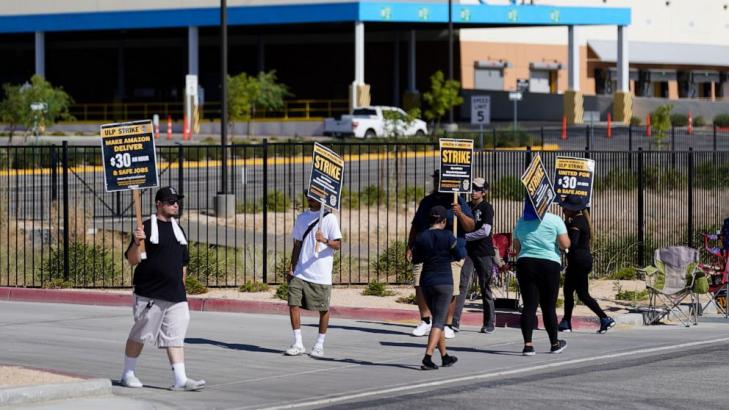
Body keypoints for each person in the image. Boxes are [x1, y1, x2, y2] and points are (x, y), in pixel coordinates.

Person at [120, 186, 205, 391]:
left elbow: (183, 263)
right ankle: (127, 374)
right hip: (150, 293)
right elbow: (133, 260)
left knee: (175, 337)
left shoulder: (179, 230)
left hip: (175, 294)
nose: (175, 204)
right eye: (170, 201)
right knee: (140, 334)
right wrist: (136, 242)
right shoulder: (146, 227)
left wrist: (182, 289)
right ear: (159, 204)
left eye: (176, 201)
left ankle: (181, 379)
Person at [407, 170, 475, 339]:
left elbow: (470, 227)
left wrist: (459, 213)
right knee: (419, 283)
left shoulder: (457, 202)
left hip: (451, 252)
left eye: (441, 180)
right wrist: (410, 246)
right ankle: (425, 320)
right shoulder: (427, 202)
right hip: (426, 250)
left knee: (451, 288)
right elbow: (416, 225)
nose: (438, 183)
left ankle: (447, 324)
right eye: (436, 180)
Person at [284, 193, 342, 358]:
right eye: (307, 195)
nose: (309, 198)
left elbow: (338, 244)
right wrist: (292, 266)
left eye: (314, 196)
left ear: (322, 199)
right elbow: (297, 244)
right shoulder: (301, 218)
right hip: (301, 271)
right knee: (293, 303)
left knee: (323, 309)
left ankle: (319, 343)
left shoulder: (329, 218)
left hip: (321, 273)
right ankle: (298, 342)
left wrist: (324, 240)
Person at [513, 198, 570, 356]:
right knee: (548, 306)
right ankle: (554, 343)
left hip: (526, 263)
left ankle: (528, 345)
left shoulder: (521, 221)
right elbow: (565, 244)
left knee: (529, 305)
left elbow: (516, 246)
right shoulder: (554, 220)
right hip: (549, 264)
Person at [411, 206, 464, 370]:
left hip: (427, 281)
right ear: (444, 221)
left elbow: (416, 259)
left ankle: (445, 356)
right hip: (444, 281)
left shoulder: (421, 237)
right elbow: (459, 255)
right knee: (439, 322)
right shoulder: (448, 236)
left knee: (437, 320)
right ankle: (427, 357)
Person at [557, 195, 615, 334]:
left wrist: (562, 243)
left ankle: (604, 318)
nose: (563, 209)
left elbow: (573, 243)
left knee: (577, 293)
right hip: (580, 261)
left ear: (572, 209)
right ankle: (567, 321)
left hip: (578, 262)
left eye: (566, 207)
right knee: (576, 293)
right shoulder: (579, 220)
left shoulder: (577, 222)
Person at [453, 177, 496, 334]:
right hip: (468, 251)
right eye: (472, 188)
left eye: (477, 189)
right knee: (462, 285)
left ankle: (489, 322)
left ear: (483, 192)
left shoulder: (487, 208)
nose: (473, 192)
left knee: (485, 287)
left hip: (483, 252)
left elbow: (485, 231)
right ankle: (455, 321)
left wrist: (466, 237)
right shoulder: (467, 206)